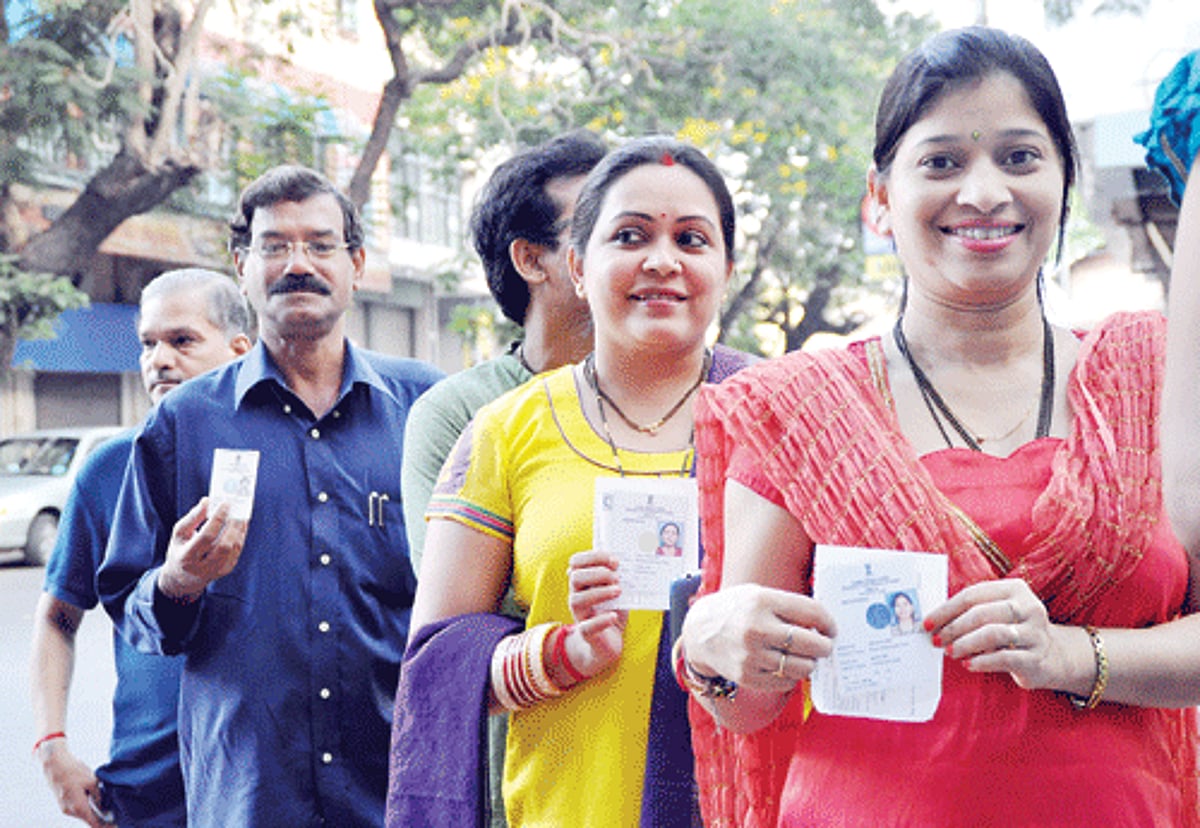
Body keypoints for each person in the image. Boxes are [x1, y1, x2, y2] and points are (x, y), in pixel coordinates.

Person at [677, 27, 1199, 827]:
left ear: (1065, 181)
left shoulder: (1154, 381)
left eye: (1020, 157)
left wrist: (1070, 653)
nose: (984, 192)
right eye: (943, 161)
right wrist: (715, 645)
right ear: (880, 197)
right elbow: (745, 706)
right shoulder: (807, 413)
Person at [387, 136, 754, 827]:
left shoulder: (781, 415)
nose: (662, 260)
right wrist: (561, 652)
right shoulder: (507, 429)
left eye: (692, 239)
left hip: (749, 805)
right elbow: (437, 666)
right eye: (630, 235)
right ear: (579, 267)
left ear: (726, 267)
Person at [96, 164, 444, 827]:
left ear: (356, 263)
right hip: (249, 796)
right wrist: (176, 580)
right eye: (274, 246)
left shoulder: (424, 408)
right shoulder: (184, 423)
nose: (298, 264)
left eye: (319, 244)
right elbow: (128, 603)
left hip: (398, 789)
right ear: (242, 265)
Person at [399, 130, 604, 828]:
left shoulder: (703, 398)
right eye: (603, 222)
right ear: (531, 258)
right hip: (520, 767)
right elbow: (458, 613)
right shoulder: (461, 413)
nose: (634, 246)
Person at [30, 268, 252, 828]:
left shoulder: (278, 456)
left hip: (259, 779)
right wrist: (52, 744)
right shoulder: (108, 467)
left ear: (239, 349)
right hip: (145, 786)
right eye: (148, 344)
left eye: (182, 341)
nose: (159, 359)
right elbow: (57, 617)